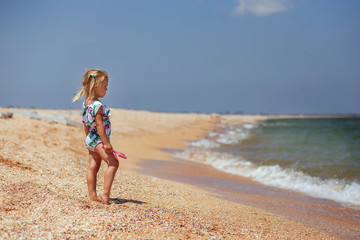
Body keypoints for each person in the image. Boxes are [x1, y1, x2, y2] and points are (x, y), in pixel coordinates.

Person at [72, 69, 119, 205]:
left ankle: (92, 195)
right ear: (96, 86)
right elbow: (100, 126)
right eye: (105, 86)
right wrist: (106, 144)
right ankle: (105, 194)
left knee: (93, 166)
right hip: (98, 140)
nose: (107, 89)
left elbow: (85, 123)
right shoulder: (98, 106)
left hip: (90, 139)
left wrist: (88, 139)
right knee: (114, 163)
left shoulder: (86, 103)